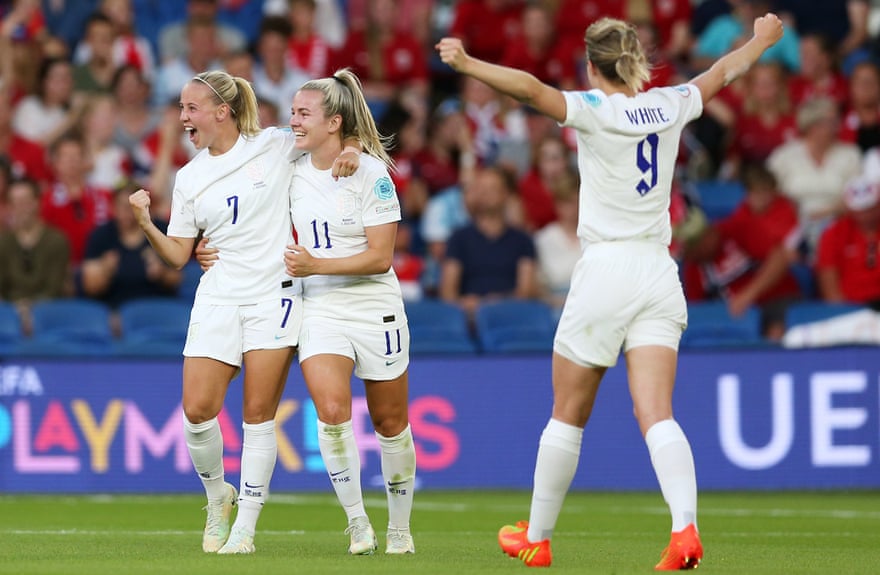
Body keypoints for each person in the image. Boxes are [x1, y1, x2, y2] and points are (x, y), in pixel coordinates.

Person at [436, 10, 784, 570]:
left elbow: (528, 89)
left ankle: (539, 537)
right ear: (635, 61)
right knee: (658, 415)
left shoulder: (594, 110)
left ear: (591, 66)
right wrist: (761, 40)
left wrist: (468, 62)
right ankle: (684, 531)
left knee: (568, 412)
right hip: (658, 269)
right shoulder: (670, 103)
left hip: (606, 270)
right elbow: (723, 72)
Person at [128, 69, 360, 555]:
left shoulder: (274, 145)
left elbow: (328, 129)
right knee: (196, 411)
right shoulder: (188, 177)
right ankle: (218, 497)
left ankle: (245, 529)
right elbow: (177, 254)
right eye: (181, 109)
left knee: (258, 416)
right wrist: (147, 224)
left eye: (191, 108)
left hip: (273, 296)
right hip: (217, 296)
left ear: (222, 112)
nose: (182, 118)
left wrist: (354, 147)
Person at [282, 68, 416, 556]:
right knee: (333, 412)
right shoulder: (289, 169)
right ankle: (358, 522)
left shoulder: (371, 174)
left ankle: (400, 527)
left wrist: (317, 263)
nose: (292, 122)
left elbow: (381, 257)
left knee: (389, 422)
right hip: (320, 306)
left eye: (303, 113)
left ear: (333, 122)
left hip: (375, 304)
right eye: (292, 112)